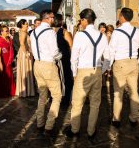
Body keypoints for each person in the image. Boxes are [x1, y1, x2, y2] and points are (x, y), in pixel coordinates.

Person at [65, 8, 110, 143]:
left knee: (77, 103)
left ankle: (75, 130)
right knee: (95, 104)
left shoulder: (79, 35)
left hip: (83, 72)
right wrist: (101, 71)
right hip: (96, 71)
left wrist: (74, 73)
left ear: (85, 20)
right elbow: (108, 58)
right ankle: (91, 131)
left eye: (81, 20)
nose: (80, 22)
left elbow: (74, 58)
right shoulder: (102, 36)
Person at [109, 7, 139, 128]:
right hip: (133, 63)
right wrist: (138, 61)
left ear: (122, 17)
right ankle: (133, 118)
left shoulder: (117, 32)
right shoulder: (138, 32)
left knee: (117, 93)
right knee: (133, 91)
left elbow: (111, 51)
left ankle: (116, 119)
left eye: (119, 15)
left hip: (120, 63)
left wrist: (108, 66)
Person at [30, 9, 62, 136]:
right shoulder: (50, 32)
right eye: (52, 17)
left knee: (42, 96)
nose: (54, 19)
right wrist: (61, 56)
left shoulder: (33, 32)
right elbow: (54, 52)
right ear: (47, 18)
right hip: (48, 65)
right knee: (57, 96)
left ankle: (39, 123)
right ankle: (49, 126)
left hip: (37, 64)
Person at [53, 13, 73, 106]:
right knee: (67, 79)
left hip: (54, 59)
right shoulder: (64, 32)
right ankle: (65, 100)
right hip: (64, 59)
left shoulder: (50, 32)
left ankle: (57, 99)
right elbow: (71, 46)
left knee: (57, 79)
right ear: (61, 21)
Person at [15, 19, 35, 97]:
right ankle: (26, 91)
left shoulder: (23, 32)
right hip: (24, 53)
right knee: (25, 70)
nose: (27, 25)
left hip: (24, 52)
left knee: (25, 70)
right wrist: (27, 53)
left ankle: (25, 90)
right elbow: (22, 44)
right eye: (26, 24)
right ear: (22, 25)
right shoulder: (23, 33)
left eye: (27, 24)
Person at [0, 25, 15, 98]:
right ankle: (4, 92)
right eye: (6, 31)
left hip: (8, 60)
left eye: (8, 30)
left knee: (9, 76)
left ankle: (10, 91)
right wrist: (0, 65)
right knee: (3, 77)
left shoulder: (9, 39)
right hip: (3, 61)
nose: (7, 32)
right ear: (1, 32)